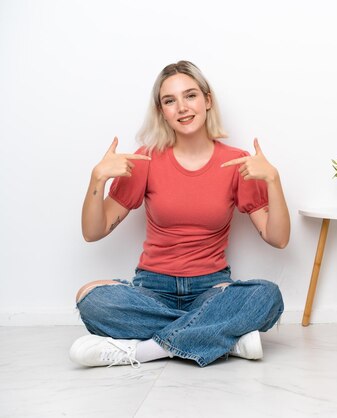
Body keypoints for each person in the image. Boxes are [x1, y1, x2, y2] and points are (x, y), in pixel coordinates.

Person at [70, 60, 289, 368]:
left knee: (267, 297)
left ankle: (144, 351)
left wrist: (273, 180)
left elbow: (278, 238)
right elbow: (94, 231)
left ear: (207, 100)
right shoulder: (144, 159)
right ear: (161, 111)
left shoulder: (237, 162)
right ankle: (224, 337)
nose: (182, 108)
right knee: (91, 299)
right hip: (151, 289)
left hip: (212, 289)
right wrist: (97, 179)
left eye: (190, 96)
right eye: (169, 101)